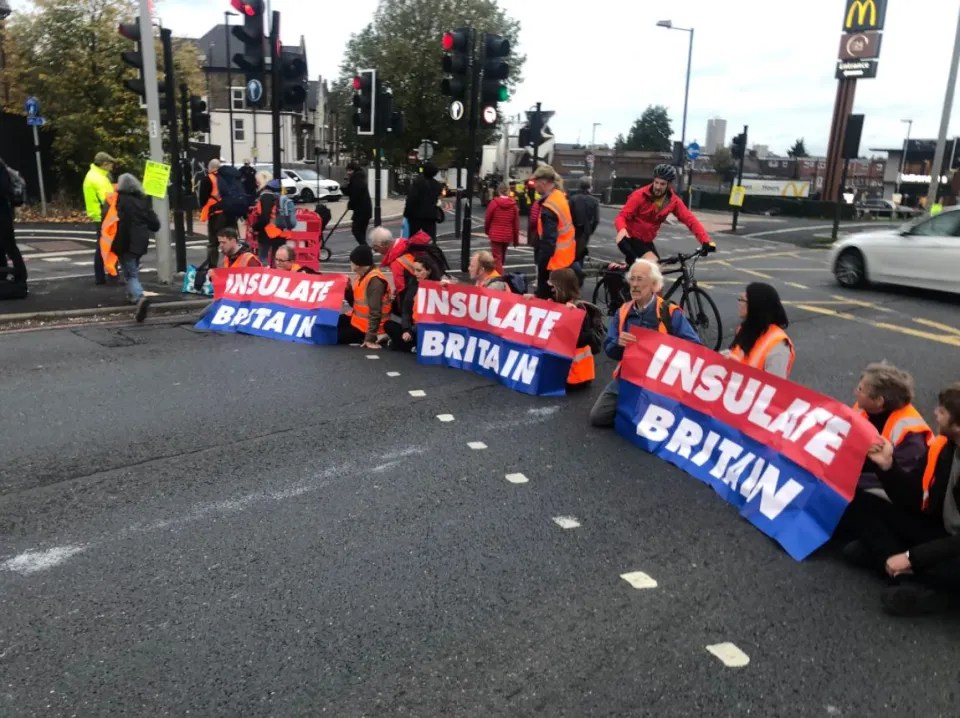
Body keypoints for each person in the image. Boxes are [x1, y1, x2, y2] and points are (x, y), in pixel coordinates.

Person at [845, 383, 960, 616]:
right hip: (942, 531)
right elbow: (913, 499)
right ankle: (901, 571)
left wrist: (911, 557)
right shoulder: (945, 447)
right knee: (861, 501)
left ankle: (936, 596)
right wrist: (887, 467)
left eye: (943, 411)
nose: (935, 412)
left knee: (865, 551)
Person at [589, 259, 702, 428]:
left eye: (640, 279)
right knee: (598, 418)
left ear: (654, 285)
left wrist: (666, 347)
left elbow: (695, 347)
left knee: (664, 425)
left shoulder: (669, 312)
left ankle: (644, 406)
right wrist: (619, 344)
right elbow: (609, 348)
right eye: (632, 279)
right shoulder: (623, 312)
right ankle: (637, 405)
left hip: (660, 380)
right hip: (630, 376)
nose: (634, 285)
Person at [852, 362, 932, 495]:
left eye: (860, 390)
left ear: (878, 401)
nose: (855, 392)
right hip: (867, 470)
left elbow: (902, 484)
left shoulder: (910, 435)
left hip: (891, 487)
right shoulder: (863, 408)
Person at [614, 164, 715, 263]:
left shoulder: (673, 201)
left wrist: (705, 241)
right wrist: (622, 229)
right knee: (652, 265)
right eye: (656, 182)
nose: (658, 187)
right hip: (630, 237)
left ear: (669, 185)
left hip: (646, 241)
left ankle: (621, 270)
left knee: (658, 269)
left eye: (662, 184)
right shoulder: (639, 195)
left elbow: (690, 220)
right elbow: (622, 216)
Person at [110, 173, 161, 322]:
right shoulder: (142, 201)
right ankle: (132, 296)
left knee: (130, 274)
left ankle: (139, 297)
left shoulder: (118, 201)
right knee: (132, 269)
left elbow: (114, 222)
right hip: (141, 242)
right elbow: (155, 224)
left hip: (125, 242)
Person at [723, 283, 795, 378]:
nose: (739, 303)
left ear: (755, 306)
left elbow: (772, 387)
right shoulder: (745, 329)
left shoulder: (779, 346)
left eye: (742, 300)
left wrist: (740, 371)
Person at [545, 267, 598, 388]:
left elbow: (585, 338)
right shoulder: (555, 302)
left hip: (577, 375)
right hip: (565, 373)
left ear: (561, 286)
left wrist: (570, 318)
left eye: (552, 285)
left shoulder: (578, 308)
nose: (550, 288)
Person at [530, 165, 575, 299]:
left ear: (543, 182)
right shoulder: (560, 197)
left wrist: (541, 265)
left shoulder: (549, 206)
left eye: (535, 182)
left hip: (553, 263)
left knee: (547, 302)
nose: (534, 185)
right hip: (565, 259)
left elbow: (549, 240)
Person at [384, 257, 446, 353]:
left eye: (419, 270)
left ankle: (403, 345)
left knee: (398, 340)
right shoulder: (413, 285)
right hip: (413, 327)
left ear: (429, 271)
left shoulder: (439, 286)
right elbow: (406, 311)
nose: (415, 273)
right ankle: (410, 346)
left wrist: (411, 331)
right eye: (414, 270)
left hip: (428, 329)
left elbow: (435, 318)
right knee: (389, 325)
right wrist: (406, 329)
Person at [338, 244, 391, 348]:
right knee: (328, 324)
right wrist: (348, 290)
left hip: (367, 328)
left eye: (351, 261)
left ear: (358, 264)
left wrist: (370, 338)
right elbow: (356, 303)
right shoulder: (362, 275)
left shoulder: (375, 281)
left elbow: (375, 312)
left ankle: (377, 337)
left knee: (332, 336)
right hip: (357, 320)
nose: (350, 263)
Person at [371, 226, 432, 309]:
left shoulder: (397, 262)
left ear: (384, 245)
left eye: (376, 249)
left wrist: (403, 311)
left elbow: (402, 289)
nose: (376, 252)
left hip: (414, 301)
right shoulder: (403, 247)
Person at [83, 151, 116, 284]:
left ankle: (103, 275)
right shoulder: (99, 179)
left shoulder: (95, 175)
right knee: (106, 246)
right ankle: (107, 276)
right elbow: (107, 199)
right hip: (104, 216)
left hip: (99, 215)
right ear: (104, 164)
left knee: (103, 246)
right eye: (110, 164)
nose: (112, 167)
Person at [249, 173, 289, 266]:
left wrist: (254, 227)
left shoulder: (266, 196)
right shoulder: (279, 195)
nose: (256, 183)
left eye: (257, 180)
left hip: (267, 232)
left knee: (263, 259)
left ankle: (265, 277)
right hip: (280, 232)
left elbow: (265, 218)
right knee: (278, 261)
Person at [0, 156, 27, 292]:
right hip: (4, 213)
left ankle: (21, 277)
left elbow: (4, 188)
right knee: (5, 248)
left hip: (3, 215)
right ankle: (3, 278)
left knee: (9, 246)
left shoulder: (1, 168)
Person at [484, 182, 519, 273]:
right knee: (502, 257)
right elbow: (516, 224)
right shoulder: (513, 205)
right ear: (508, 191)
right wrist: (516, 240)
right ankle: (499, 272)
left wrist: (487, 231)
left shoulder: (494, 203)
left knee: (496, 258)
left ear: (498, 191)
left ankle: (499, 277)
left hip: (495, 234)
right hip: (507, 234)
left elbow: (488, 218)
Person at [403, 162, 443, 241]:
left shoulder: (417, 182)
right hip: (430, 216)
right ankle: (431, 252)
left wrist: (406, 213)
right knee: (430, 239)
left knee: (414, 239)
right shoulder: (437, 185)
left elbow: (411, 199)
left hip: (416, 216)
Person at [569, 175, 600, 263]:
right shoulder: (594, 201)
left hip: (573, 230)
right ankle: (578, 273)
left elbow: (568, 217)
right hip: (585, 231)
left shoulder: (572, 199)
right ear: (589, 186)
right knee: (580, 254)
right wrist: (590, 230)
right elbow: (596, 220)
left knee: (572, 255)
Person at [344, 162, 372, 246]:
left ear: (353, 170)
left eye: (349, 171)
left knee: (356, 230)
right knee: (361, 231)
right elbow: (351, 192)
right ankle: (364, 249)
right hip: (364, 210)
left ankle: (365, 248)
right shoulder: (358, 178)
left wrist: (350, 204)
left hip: (361, 210)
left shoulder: (357, 178)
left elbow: (355, 193)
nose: (348, 173)